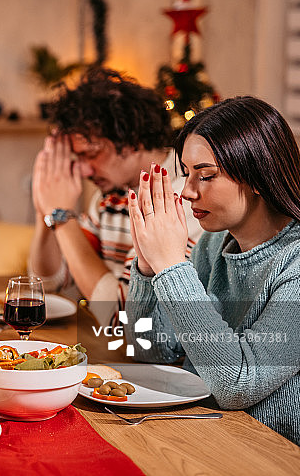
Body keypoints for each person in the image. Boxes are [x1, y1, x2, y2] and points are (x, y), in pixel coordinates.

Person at [125, 96, 300, 445]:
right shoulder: (212, 247)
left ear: (257, 176)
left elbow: (237, 383)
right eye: (187, 174)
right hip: (208, 436)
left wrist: (173, 267)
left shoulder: (294, 263)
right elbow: (152, 349)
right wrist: (147, 268)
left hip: (272, 454)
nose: (188, 191)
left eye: (205, 176)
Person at [27, 67, 203, 325]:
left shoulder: (182, 197)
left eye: (92, 153)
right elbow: (50, 282)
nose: (85, 169)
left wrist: (62, 217)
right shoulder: (110, 195)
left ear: (132, 140)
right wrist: (44, 209)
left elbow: (121, 316)